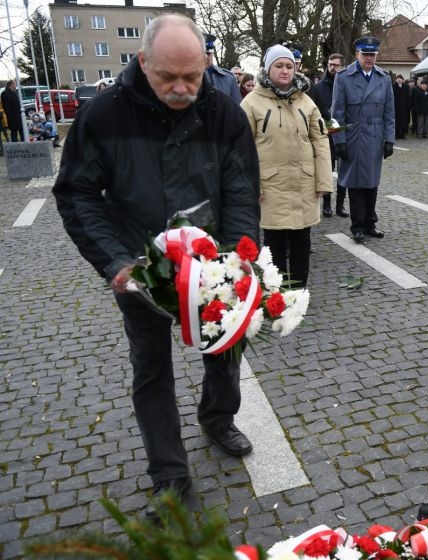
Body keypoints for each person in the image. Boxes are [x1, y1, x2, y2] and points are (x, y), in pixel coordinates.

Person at [52, 13, 260, 521]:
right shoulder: (103, 116)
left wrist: (235, 261)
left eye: (192, 76)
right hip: (140, 268)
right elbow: (77, 192)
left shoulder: (226, 114)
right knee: (151, 368)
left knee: (225, 348)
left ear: (206, 64)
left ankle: (217, 416)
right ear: (143, 62)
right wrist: (116, 263)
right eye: (168, 76)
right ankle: (170, 475)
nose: (182, 88)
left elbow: (241, 192)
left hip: (211, 265)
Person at [241, 45, 331, 288]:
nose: (285, 70)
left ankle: (299, 289)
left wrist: (323, 180)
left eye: (289, 66)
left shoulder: (307, 102)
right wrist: (251, 185)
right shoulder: (251, 103)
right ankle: (278, 291)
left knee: (302, 239)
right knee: (274, 241)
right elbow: (242, 149)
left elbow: (320, 141)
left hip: (304, 182)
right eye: (279, 66)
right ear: (268, 69)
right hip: (270, 185)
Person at [330, 36, 395, 243]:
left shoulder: (383, 78)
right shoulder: (344, 77)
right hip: (353, 135)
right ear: (357, 54)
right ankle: (357, 225)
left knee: (372, 182)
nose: (369, 58)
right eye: (365, 54)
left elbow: (389, 112)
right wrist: (338, 140)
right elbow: (336, 113)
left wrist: (390, 139)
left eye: (372, 55)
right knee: (356, 184)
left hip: (375, 135)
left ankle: (370, 222)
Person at [315, 52, 345, 217]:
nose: (333, 68)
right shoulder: (319, 87)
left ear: (342, 66)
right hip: (326, 131)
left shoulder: (346, 83)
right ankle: (327, 204)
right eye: (330, 64)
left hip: (343, 130)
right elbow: (318, 111)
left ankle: (340, 205)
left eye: (336, 65)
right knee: (327, 169)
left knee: (343, 169)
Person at [203, 33, 241, 103]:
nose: (205, 57)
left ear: (212, 54)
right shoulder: (185, 77)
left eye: (208, 54)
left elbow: (238, 108)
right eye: (201, 53)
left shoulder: (228, 78)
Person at [393, 74, 411, 139]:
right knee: (397, 121)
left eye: (400, 78)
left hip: (404, 107)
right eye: (398, 78)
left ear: (403, 80)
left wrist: (408, 106)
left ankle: (403, 134)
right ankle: (397, 134)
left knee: (404, 121)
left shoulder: (406, 87)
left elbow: (408, 97)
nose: (399, 80)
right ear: (396, 80)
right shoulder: (393, 86)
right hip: (396, 107)